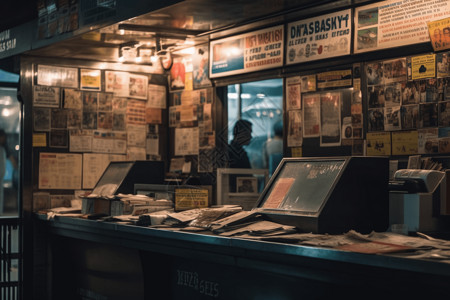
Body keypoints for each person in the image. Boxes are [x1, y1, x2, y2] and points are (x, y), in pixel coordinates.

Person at [227, 120, 252, 192]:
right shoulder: (234, 153)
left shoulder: (234, 151)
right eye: (249, 133)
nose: (251, 137)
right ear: (241, 134)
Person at [0, 129, 17, 215]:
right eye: (3, 137)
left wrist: (17, 168)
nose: (4, 139)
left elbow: (11, 158)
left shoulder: (3, 148)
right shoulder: (3, 148)